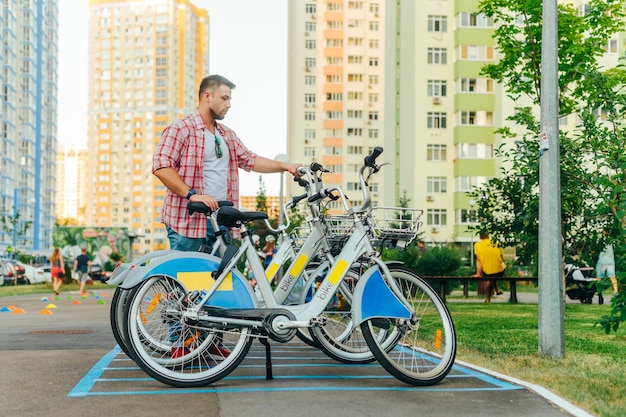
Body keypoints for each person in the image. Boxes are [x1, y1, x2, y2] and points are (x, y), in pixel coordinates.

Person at [152, 74, 301, 252]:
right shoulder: (181, 129)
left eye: (229, 99)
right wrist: (192, 195)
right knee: (187, 278)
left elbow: (250, 160)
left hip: (220, 221)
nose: (229, 105)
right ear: (207, 96)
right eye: (224, 98)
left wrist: (286, 167)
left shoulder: (226, 135)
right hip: (188, 223)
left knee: (221, 278)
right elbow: (161, 166)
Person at [472, 230, 505, 303]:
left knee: (490, 278)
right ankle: (497, 290)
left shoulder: (477, 245)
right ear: (488, 236)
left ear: (480, 237)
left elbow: (478, 260)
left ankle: (488, 299)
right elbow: (502, 258)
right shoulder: (497, 243)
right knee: (492, 276)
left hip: (487, 272)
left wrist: (478, 273)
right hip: (500, 271)